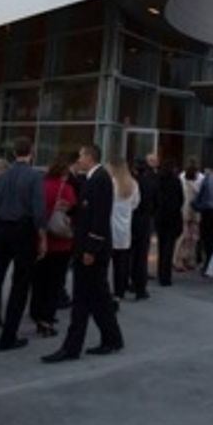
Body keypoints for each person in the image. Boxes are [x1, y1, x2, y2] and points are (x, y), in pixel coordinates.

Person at [43, 145, 124, 362]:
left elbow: (99, 216)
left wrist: (91, 248)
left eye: (81, 156)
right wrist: (70, 209)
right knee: (99, 298)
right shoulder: (93, 178)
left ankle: (72, 347)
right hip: (88, 246)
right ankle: (112, 338)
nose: (79, 160)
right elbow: (87, 209)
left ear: (90, 157)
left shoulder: (100, 179)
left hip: (91, 249)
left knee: (82, 299)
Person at [0, 138, 46, 350]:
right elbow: (38, 210)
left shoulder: (0, 176)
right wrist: (42, 237)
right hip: (23, 231)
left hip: (1, 230)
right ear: (31, 152)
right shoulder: (35, 177)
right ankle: (8, 336)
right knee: (20, 283)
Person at [31, 155, 77, 337]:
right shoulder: (66, 189)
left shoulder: (40, 186)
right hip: (61, 243)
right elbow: (73, 213)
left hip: (40, 240)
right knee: (54, 282)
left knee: (38, 280)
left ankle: (35, 311)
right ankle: (46, 319)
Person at [107, 158, 139, 299]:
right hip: (125, 226)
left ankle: (107, 289)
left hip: (111, 225)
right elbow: (135, 204)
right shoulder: (133, 184)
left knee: (107, 262)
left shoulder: (111, 183)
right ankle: (119, 292)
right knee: (121, 263)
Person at [129, 156, 159, 298]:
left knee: (130, 253)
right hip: (145, 219)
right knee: (141, 255)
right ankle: (140, 286)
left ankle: (126, 282)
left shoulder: (132, 183)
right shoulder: (151, 182)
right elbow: (156, 201)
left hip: (133, 218)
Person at [155, 158, 183, 286]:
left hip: (161, 216)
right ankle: (166, 275)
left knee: (161, 245)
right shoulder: (176, 181)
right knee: (169, 246)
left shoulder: (158, 180)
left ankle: (160, 271)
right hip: (173, 216)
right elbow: (181, 199)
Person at [174, 160, 202, 271]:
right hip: (191, 209)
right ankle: (182, 259)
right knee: (189, 236)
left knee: (189, 236)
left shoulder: (181, 178)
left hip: (187, 209)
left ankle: (184, 258)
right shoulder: (198, 178)